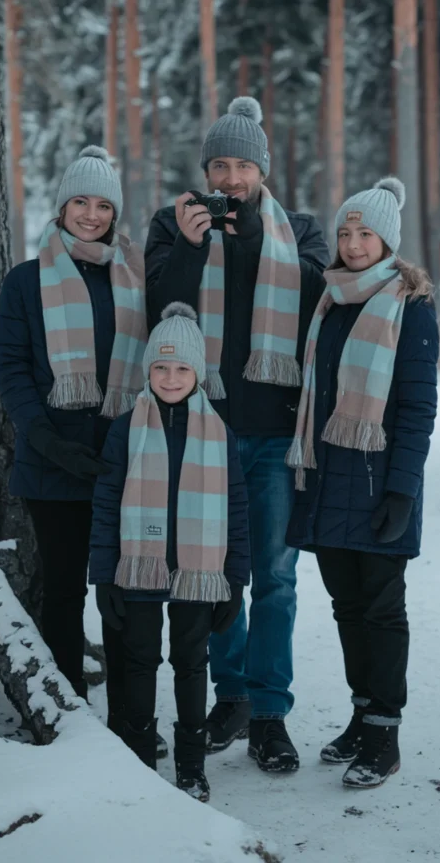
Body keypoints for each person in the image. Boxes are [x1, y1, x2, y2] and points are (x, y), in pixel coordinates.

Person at [145, 97, 329, 772]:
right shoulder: (171, 223)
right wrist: (192, 246)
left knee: (274, 578)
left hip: (277, 436)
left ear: (262, 171)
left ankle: (271, 713)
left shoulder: (300, 230)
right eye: (219, 165)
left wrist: (250, 238)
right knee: (212, 572)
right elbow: (158, 309)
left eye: (242, 166)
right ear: (205, 171)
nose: (230, 178)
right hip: (204, 432)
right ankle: (232, 697)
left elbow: (316, 302)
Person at [285, 176, 439, 788]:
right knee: (347, 607)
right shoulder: (330, 301)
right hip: (327, 482)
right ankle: (361, 715)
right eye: (345, 232)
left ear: (387, 241)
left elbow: (418, 408)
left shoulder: (411, 306)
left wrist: (402, 491)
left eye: (365, 233)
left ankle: (385, 734)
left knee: (381, 610)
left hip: (378, 484)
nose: (352, 243)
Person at [0, 146, 150, 739]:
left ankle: (130, 718)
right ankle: (70, 718)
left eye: (103, 205)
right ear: (62, 207)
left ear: (115, 213)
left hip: (123, 461)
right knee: (62, 590)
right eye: (80, 201)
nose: (91, 214)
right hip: (51, 460)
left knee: (122, 589)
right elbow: (10, 368)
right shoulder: (25, 280)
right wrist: (46, 440)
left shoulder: (133, 277)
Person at [89, 302, 250, 801]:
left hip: (199, 571)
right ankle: (140, 757)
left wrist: (236, 579)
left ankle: (191, 764)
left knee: (191, 662)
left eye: (182, 367)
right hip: (139, 565)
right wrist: (104, 574)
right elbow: (106, 503)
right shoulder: (125, 428)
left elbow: (237, 508)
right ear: (147, 370)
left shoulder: (219, 432)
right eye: (161, 367)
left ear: (198, 372)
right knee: (140, 659)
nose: (171, 377)